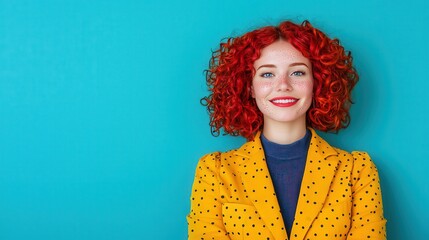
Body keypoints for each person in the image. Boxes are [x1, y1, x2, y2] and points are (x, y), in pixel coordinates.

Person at [187, 20, 386, 240]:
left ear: (316, 82)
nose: (283, 85)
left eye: (298, 73)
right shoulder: (214, 171)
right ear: (249, 87)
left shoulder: (357, 171)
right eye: (267, 74)